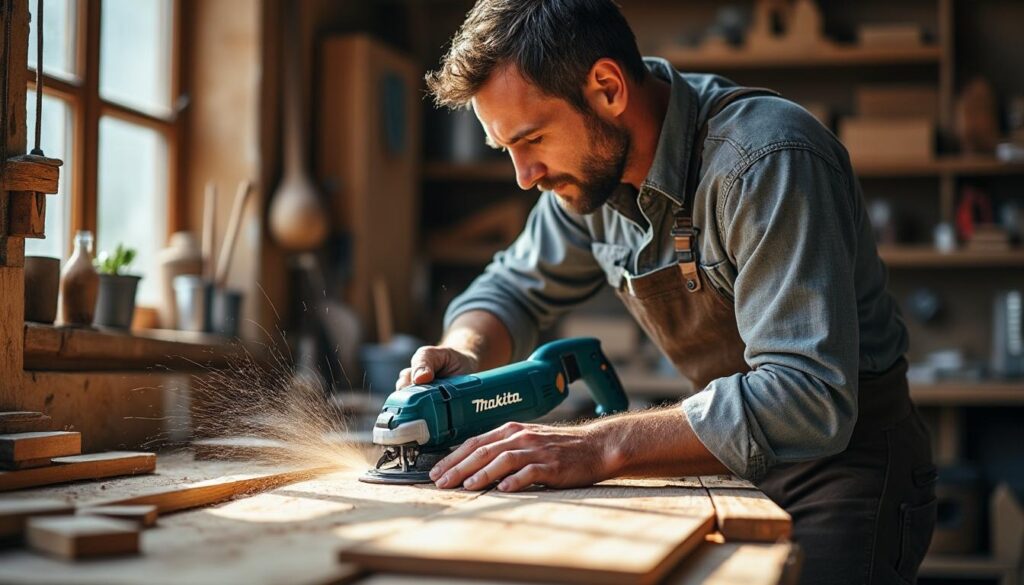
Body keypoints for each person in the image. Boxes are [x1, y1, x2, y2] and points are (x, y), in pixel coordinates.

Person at [396, 1, 936, 583]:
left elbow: (805, 397)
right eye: (506, 150)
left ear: (607, 88)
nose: (524, 176)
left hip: (844, 474)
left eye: (531, 140)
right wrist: (468, 351)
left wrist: (598, 446)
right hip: (730, 463)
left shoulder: (766, 163)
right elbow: (511, 288)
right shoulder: (587, 180)